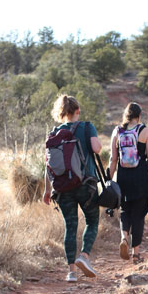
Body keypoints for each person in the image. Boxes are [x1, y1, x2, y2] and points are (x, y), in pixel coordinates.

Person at [43, 94, 102, 282]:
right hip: (85, 184)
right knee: (92, 220)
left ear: (60, 113)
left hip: (62, 187)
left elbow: (48, 166)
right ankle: (84, 257)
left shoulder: (53, 134)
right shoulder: (86, 127)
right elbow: (97, 148)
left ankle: (71, 273)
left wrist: (46, 191)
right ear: (77, 111)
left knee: (70, 226)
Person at [109, 103, 148, 263]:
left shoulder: (117, 131)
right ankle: (136, 253)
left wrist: (108, 180)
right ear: (139, 116)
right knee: (138, 215)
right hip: (140, 177)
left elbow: (113, 159)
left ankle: (124, 237)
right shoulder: (145, 131)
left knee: (125, 211)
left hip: (123, 177)